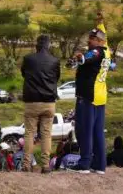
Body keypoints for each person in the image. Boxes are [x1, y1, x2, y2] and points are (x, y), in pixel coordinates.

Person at [69, 29, 111, 174]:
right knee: (98, 132)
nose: (89, 40)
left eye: (92, 38)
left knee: (84, 130)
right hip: (100, 97)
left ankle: (85, 163)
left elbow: (89, 58)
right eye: (90, 37)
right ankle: (100, 165)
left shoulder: (97, 51)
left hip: (88, 97)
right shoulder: (107, 52)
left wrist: (81, 58)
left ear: (100, 41)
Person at [20, 34, 61, 173]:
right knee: (46, 134)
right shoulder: (55, 61)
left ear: (37, 45)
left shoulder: (28, 59)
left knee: (29, 133)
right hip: (49, 102)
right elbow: (56, 77)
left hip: (31, 101)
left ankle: (26, 164)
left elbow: (24, 74)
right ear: (48, 46)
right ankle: (45, 165)